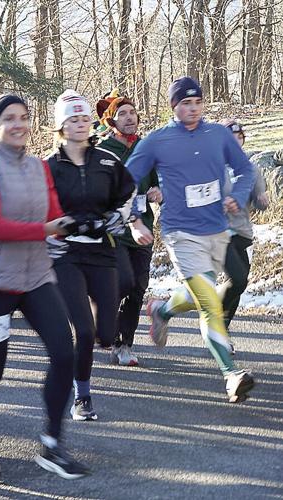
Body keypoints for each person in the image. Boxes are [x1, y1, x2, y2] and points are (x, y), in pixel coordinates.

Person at [0, 94, 89, 481]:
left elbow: (53, 214)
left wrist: (75, 223)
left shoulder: (39, 166)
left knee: (64, 353)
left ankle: (52, 444)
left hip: (35, 276)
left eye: (24, 117)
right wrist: (48, 228)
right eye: (9, 118)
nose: (18, 124)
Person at [126, 77, 256, 403]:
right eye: (186, 103)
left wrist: (238, 196)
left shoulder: (218, 135)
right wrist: (135, 217)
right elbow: (126, 179)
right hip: (181, 233)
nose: (193, 109)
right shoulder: (158, 141)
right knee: (209, 302)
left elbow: (245, 170)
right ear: (174, 106)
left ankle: (162, 310)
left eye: (198, 102)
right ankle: (231, 374)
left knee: (202, 291)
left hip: (217, 229)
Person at [46, 90, 135, 421]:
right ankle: (82, 396)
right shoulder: (49, 166)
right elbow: (36, 207)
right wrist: (56, 227)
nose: (81, 124)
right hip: (65, 254)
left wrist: (117, 217)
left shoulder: (107, 161)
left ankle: (99, 330)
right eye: (73, 119)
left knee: (105, 336)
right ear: (61, 125)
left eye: (85, 118)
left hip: (101, 251)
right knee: (82, 331)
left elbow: (128, 193)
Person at [96, 97, 161, 367]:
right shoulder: (103, 151)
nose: (129, 117)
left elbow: (158, 185)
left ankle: (124, 345)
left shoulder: (145, 149)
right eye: (122, 113)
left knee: (137, 288)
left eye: (132, 112)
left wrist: (159, 192)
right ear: (111, 121)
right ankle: (103, 320)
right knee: (121, 282)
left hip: (143, 228)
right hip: (114, 230)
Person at [218, 120, 269, 333]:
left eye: (240, 137)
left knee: (240, 283)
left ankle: (222, 328)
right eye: (232, 138)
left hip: (243, 233)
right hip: (220, 232)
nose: (236, 141)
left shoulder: (251, 169)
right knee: (237, 280)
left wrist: (262, 200)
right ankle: (214, 320)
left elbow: (259, 202)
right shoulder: (213, 168)